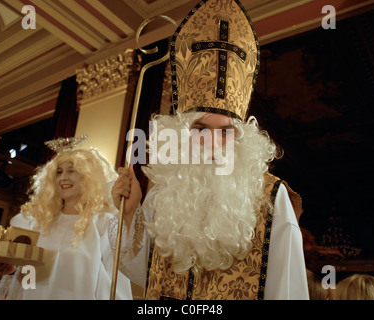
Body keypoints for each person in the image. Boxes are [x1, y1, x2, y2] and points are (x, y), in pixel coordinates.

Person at [112, 0, 309, 299]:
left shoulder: (272, 198)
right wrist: (130, 215)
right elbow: (144, 274)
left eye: (227, 132)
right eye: (200, 130)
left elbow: (288, 290)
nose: (214, 145)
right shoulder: (164, 194)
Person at [0, 138, 147, 300]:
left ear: (88, 177)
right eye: (59, 172)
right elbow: (30, 281)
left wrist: (129, 212)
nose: (63, 177)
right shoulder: (37, 225)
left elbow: (119, 270)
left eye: (72, 171)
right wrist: (13, 269)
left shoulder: (102, 223)